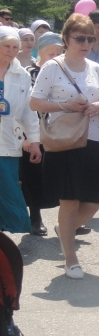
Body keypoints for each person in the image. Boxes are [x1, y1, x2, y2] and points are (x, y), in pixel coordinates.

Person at [29, 14, 99, 278]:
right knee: (69, 200)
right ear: (66, 39)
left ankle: (65, 230)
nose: (86, 42)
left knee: (93, 203)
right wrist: (65, 106)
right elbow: (35, 103)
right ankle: (70, 257)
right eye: (80, 38)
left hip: (93, 139)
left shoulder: (96, 68)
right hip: (64, 141)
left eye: (91, 38)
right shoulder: (52, 67)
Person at [21, 31, 62, 235]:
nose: (55, 58)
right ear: (41, 54)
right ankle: (35, 218)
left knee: (64, 177)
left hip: (63, 133)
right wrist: (27, 136)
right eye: (50, 54)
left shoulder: (67, 73)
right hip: (35, 133)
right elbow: (24, 106)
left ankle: (71, 221)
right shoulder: (29, 73)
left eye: (58, 53)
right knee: (34, 177)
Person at [0, 27, 39, 234]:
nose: (11, 50)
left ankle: (7, 240)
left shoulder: (21, 75)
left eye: (15, 47)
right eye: (6, 46)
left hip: (8, 142)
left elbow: (28, 112)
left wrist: (34, 141)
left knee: (9, 191)